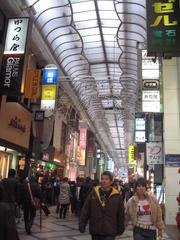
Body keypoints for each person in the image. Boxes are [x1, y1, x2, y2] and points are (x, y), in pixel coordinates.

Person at [79, 171, 125, 240]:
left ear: (111, 181)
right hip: (96, 229)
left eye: (106, 179)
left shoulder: (117, 196)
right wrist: (82, 224)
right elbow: (86, 210)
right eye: (102, 179)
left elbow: (120, 214)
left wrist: (121, 228)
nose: (104, 181)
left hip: (110, 230)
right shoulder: (94, 194)